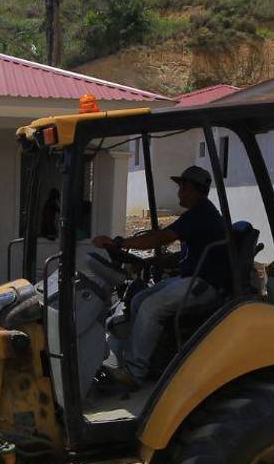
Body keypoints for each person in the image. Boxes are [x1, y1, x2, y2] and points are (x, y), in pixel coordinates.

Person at [92, 165, 231, 386]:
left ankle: (136, 372)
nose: (179, 192)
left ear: (193, 189)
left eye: (182, 187)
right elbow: (185, 256)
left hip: (204, 285)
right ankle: (131, 361)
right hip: (191, 278)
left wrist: (120, 243)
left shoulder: (201, 213)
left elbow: (162, 237)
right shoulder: (199, 215)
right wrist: (150, 261)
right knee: (138, 299)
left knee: (151, 307)